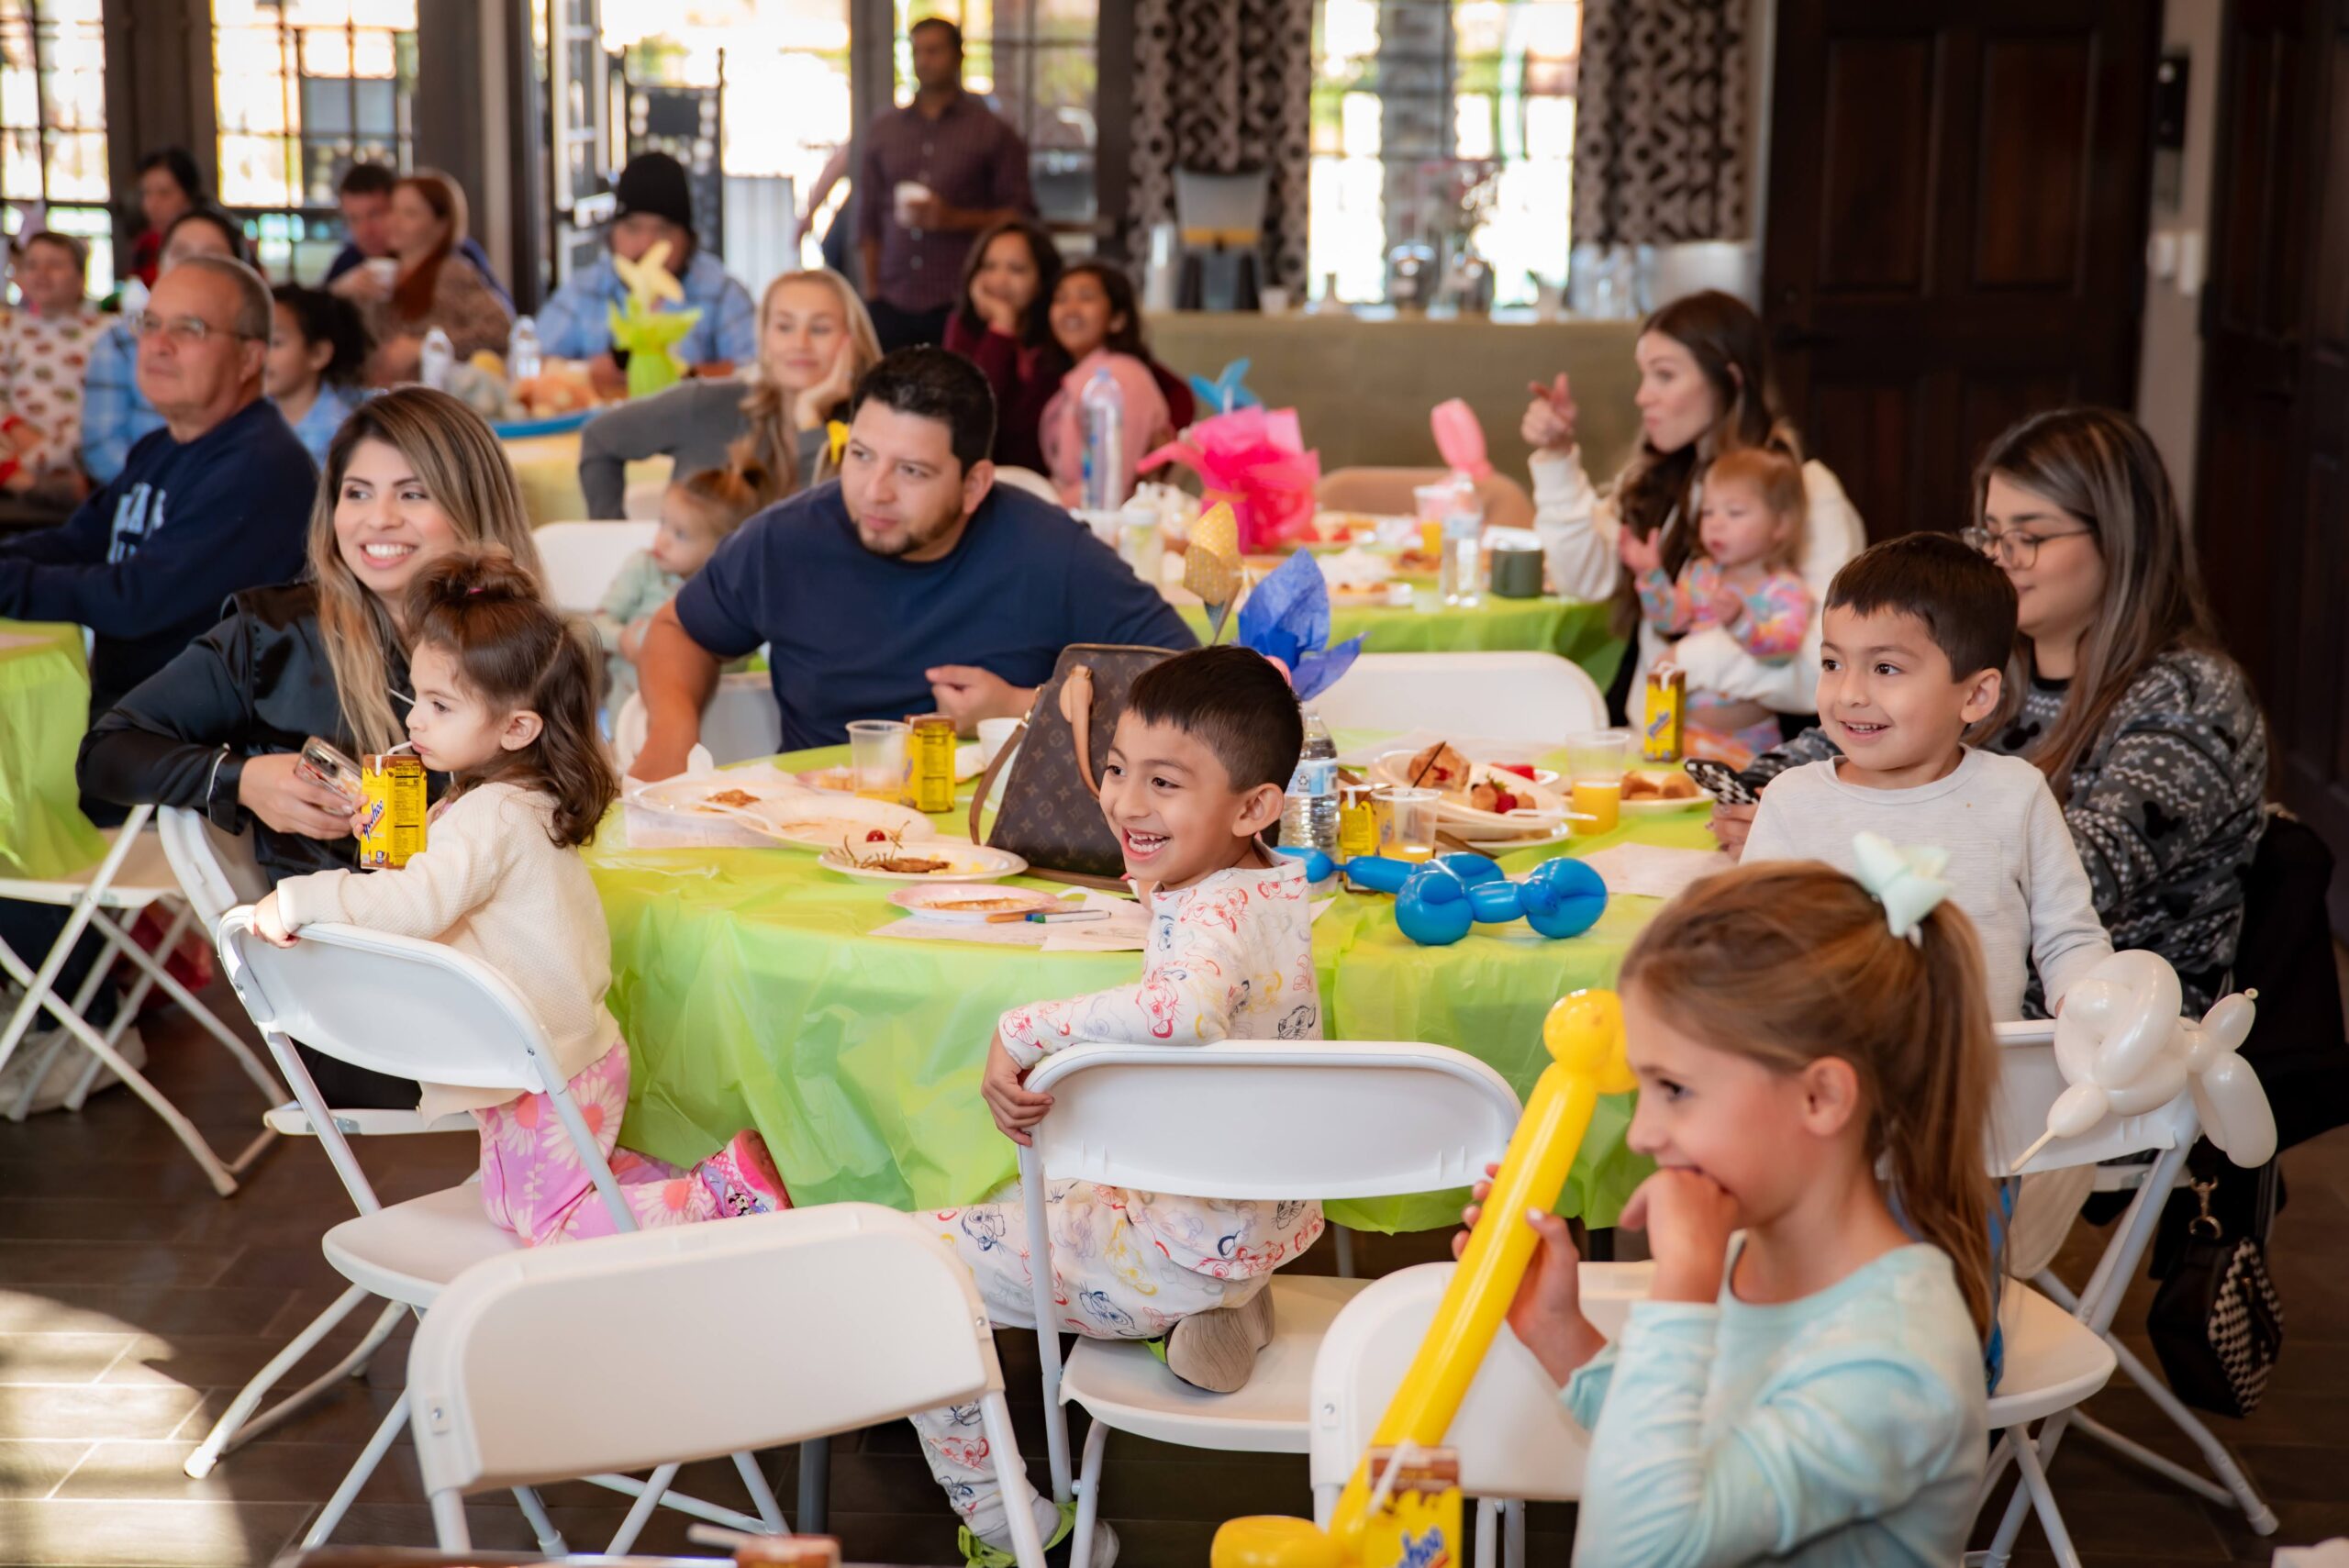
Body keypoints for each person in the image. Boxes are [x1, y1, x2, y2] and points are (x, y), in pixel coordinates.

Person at [918, 645, 1322, 1567]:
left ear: (1255, 804)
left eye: (1165, 781)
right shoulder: (1269, 882)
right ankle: (1224, 1315)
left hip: (1166, 1244)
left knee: (918, 1266)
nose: (1126, 801)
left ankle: (1005, 1524)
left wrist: (1025, 1028)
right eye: (1113, 768)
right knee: (1055, 1192)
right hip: (1247, 1225)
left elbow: (1182, 1009)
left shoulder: (1208, 918)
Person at [250, 549, 787, 1240]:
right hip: (539, 1052)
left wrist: (303, 899)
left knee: (548, 1221)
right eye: (418, 699)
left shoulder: (492, 813)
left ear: (516, 728)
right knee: (515, 1204)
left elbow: (416, 906)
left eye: (441, 706)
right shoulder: (502, 799)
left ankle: (721, 1198)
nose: (415, 721)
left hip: (544, 1057)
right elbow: (447, 887)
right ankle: (706, 1183)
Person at [1475, 861, 1997, 1565]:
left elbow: (1643, 1547)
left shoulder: (1893, 1360)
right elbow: (1683, 1459)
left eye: (1676, 1089)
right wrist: (1558, 1330)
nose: (1641, 1133)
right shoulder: (1750, 1251)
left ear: (1821, 1098)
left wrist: (1682, 1287)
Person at [78, 386, 544, 1108]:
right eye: (357, 492)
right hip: (370, 992)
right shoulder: (273, 635)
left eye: (413, 493)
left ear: (472, 504)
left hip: (511, 953)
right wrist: (242, 777)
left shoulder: (517, 642)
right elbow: (106, 754)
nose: (377, 520)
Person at [1715, 408, 2267, 1018]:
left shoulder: (2189, 694)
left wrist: (1848, 829)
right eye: (1993, 533)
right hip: (1897, 994)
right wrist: (1772, 796)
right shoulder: (2009, 666)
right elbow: (1839, 738)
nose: (2002, 558)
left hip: (2087, 1030)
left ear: (2119, 537)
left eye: (2029, 535)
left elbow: (2074, 873)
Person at [628, 347, 1197, 776]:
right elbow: (681, 628)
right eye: (861, 455)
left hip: (995, 851)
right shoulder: (788, 540)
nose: (875, 491)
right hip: (815, 830)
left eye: (912, 471)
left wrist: (1025, 708)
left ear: (974, 484)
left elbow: (1192, 682)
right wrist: (671, 732)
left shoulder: (1050, 551)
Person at [1738, 533, 2110, 1020]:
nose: (1848, 693)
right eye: (1832, 663)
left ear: (1976, 696)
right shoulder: (1792, 801)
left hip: (1982, 1080)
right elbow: (1750, 945)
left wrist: (2094, 1012)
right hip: (1836, 1076)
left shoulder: (2016, 795)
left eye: (1886, 668)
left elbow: (2069, 938)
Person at [1524, 289, 1865, 733]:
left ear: (1729, 381)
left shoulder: (1808, 490)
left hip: (1748, 755)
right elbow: (1584, 578)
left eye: (1665, 376)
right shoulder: (1660, 476)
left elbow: (1825, 663)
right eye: (1643, 376)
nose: (1643, 397)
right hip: (1655, 740)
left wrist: (1686, 662)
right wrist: (1557, 459)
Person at [0, 254, 313, 719]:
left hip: (203, 750)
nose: (158, 345)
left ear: (250, 357)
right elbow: (79, 542)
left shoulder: (260, 466)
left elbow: (135, 599)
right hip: (132, 720)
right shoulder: (161, 445)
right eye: (149, 324)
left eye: (189, 328)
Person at [574, 267, 880, 518]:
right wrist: (612, 539)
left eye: (820, 329)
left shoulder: (874, 432)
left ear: (852, 342)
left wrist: (809, 421)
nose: (800, 343)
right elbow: (599, 438)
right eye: (784, 327)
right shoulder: (706, 404)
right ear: (765, 337)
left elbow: (830, 534)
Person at [857, 17, 1036, 352]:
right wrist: (872, 292)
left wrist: (951, 219)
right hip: (892, 295)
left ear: (957, 57)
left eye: (934, 51)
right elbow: (867, 215)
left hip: (959, 297)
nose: (924, 61)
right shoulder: (884, 128)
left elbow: (1020, 214)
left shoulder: (992, 131)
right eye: (917, 52)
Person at [1628, 444, 1811, 768]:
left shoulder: (1786, 590)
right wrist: (1651, 577)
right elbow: (1669, 620)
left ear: (1780, 525)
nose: (1715, 523)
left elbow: (1781, 649)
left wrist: (1740, 621)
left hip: (1747, 743)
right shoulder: (1702, 574)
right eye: (1708, 512)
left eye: (1735, 512)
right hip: (1683, 733)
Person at [535, 151, 757, 395]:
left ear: (688, 239)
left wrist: (679, 373)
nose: (647, 244)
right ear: (611, 234)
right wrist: (587, 371)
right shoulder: (584, 289)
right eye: (633, 228)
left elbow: (755, 371)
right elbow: (533, 361)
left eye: (663, 231)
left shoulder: (722, 292)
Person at [82, 207, 250, 484]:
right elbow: (101, 447)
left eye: (213, 255)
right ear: (160, 264)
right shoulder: (121, 341)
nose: (194, 265)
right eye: (181, 253)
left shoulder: (253, 343)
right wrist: (166, 490)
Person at [596, 462, 768, 707]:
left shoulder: (732, 591)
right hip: (627, 709)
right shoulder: (644, 567)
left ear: (722, 548)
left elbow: (740, 657)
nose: (662, 539)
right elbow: (595, 625)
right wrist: (622, 639)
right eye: (662, 522)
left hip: (713, 714)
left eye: (680, 534)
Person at [329, 172, 511, 384]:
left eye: (410, 214)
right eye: (393, 210)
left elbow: (499, 329)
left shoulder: (452, 271)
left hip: (432, 397)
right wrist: (340, 291)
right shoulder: (372, 269)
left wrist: (423, 346)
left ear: (441, 225)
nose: (394, 222)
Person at [1037, 261, 1194, 506]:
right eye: (1061, 299)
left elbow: (1109, 487)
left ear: (1117, 320)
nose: (1070, 309)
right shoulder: (1080, 376)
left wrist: (1041, 510)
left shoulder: (1121, 378)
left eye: (1086, 298)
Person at [941, 217, 1064, 471]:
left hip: (1046, 483)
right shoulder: (963, 327)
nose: (999, 280)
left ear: (1043, 279)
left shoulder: (1060, 333)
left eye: (1016, 269)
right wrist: (1001, 330)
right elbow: (972, 412)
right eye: (989, 267)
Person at [0, 231, 106, 510]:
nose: (41, 273)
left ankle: (30, 479)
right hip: (14, 442)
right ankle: (29, 484)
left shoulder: (101, 332)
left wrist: (48, 450)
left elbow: (103, 402)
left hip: (75, 440)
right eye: (31, 265)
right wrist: (15, 430)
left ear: (81, 278)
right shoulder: (9, 327)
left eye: (55, 265)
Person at [321, 161, 511, 309]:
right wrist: (337, 292)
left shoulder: (455, 256)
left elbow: (504, 318)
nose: (365, 231)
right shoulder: (350, 262)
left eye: (375, 215)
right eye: (354, 219)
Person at [266, 283, 373, 463]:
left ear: (318, 354)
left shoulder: (345, 430)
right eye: (253, 340)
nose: (260, 354)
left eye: (275, 343)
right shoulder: (244, 416)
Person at [127, 147, 203, 289]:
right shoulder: (146, 245)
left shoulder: (206, 241)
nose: (151, 206)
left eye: (164, 193)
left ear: (189, 197)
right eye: (146, 193)